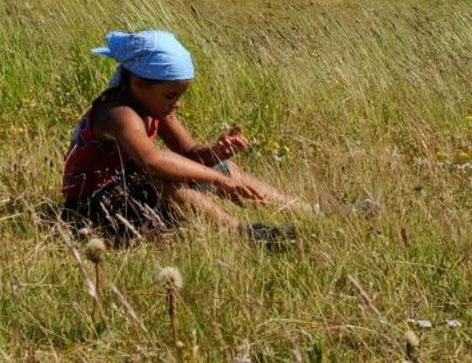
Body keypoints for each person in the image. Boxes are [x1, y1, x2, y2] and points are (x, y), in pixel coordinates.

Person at [63, 29, 301, 241]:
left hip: (128, 194)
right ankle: (245, 233)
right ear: (138, 82)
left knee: (222, 166)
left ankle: (306, 210)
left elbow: (189, 153)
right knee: (159, 178)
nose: (176, 104)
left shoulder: (152, 106)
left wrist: (216, 153)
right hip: (89, 209)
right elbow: (152, 160)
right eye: (170, 95)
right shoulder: (118, 113)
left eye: (178, 96)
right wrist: (218, 181)